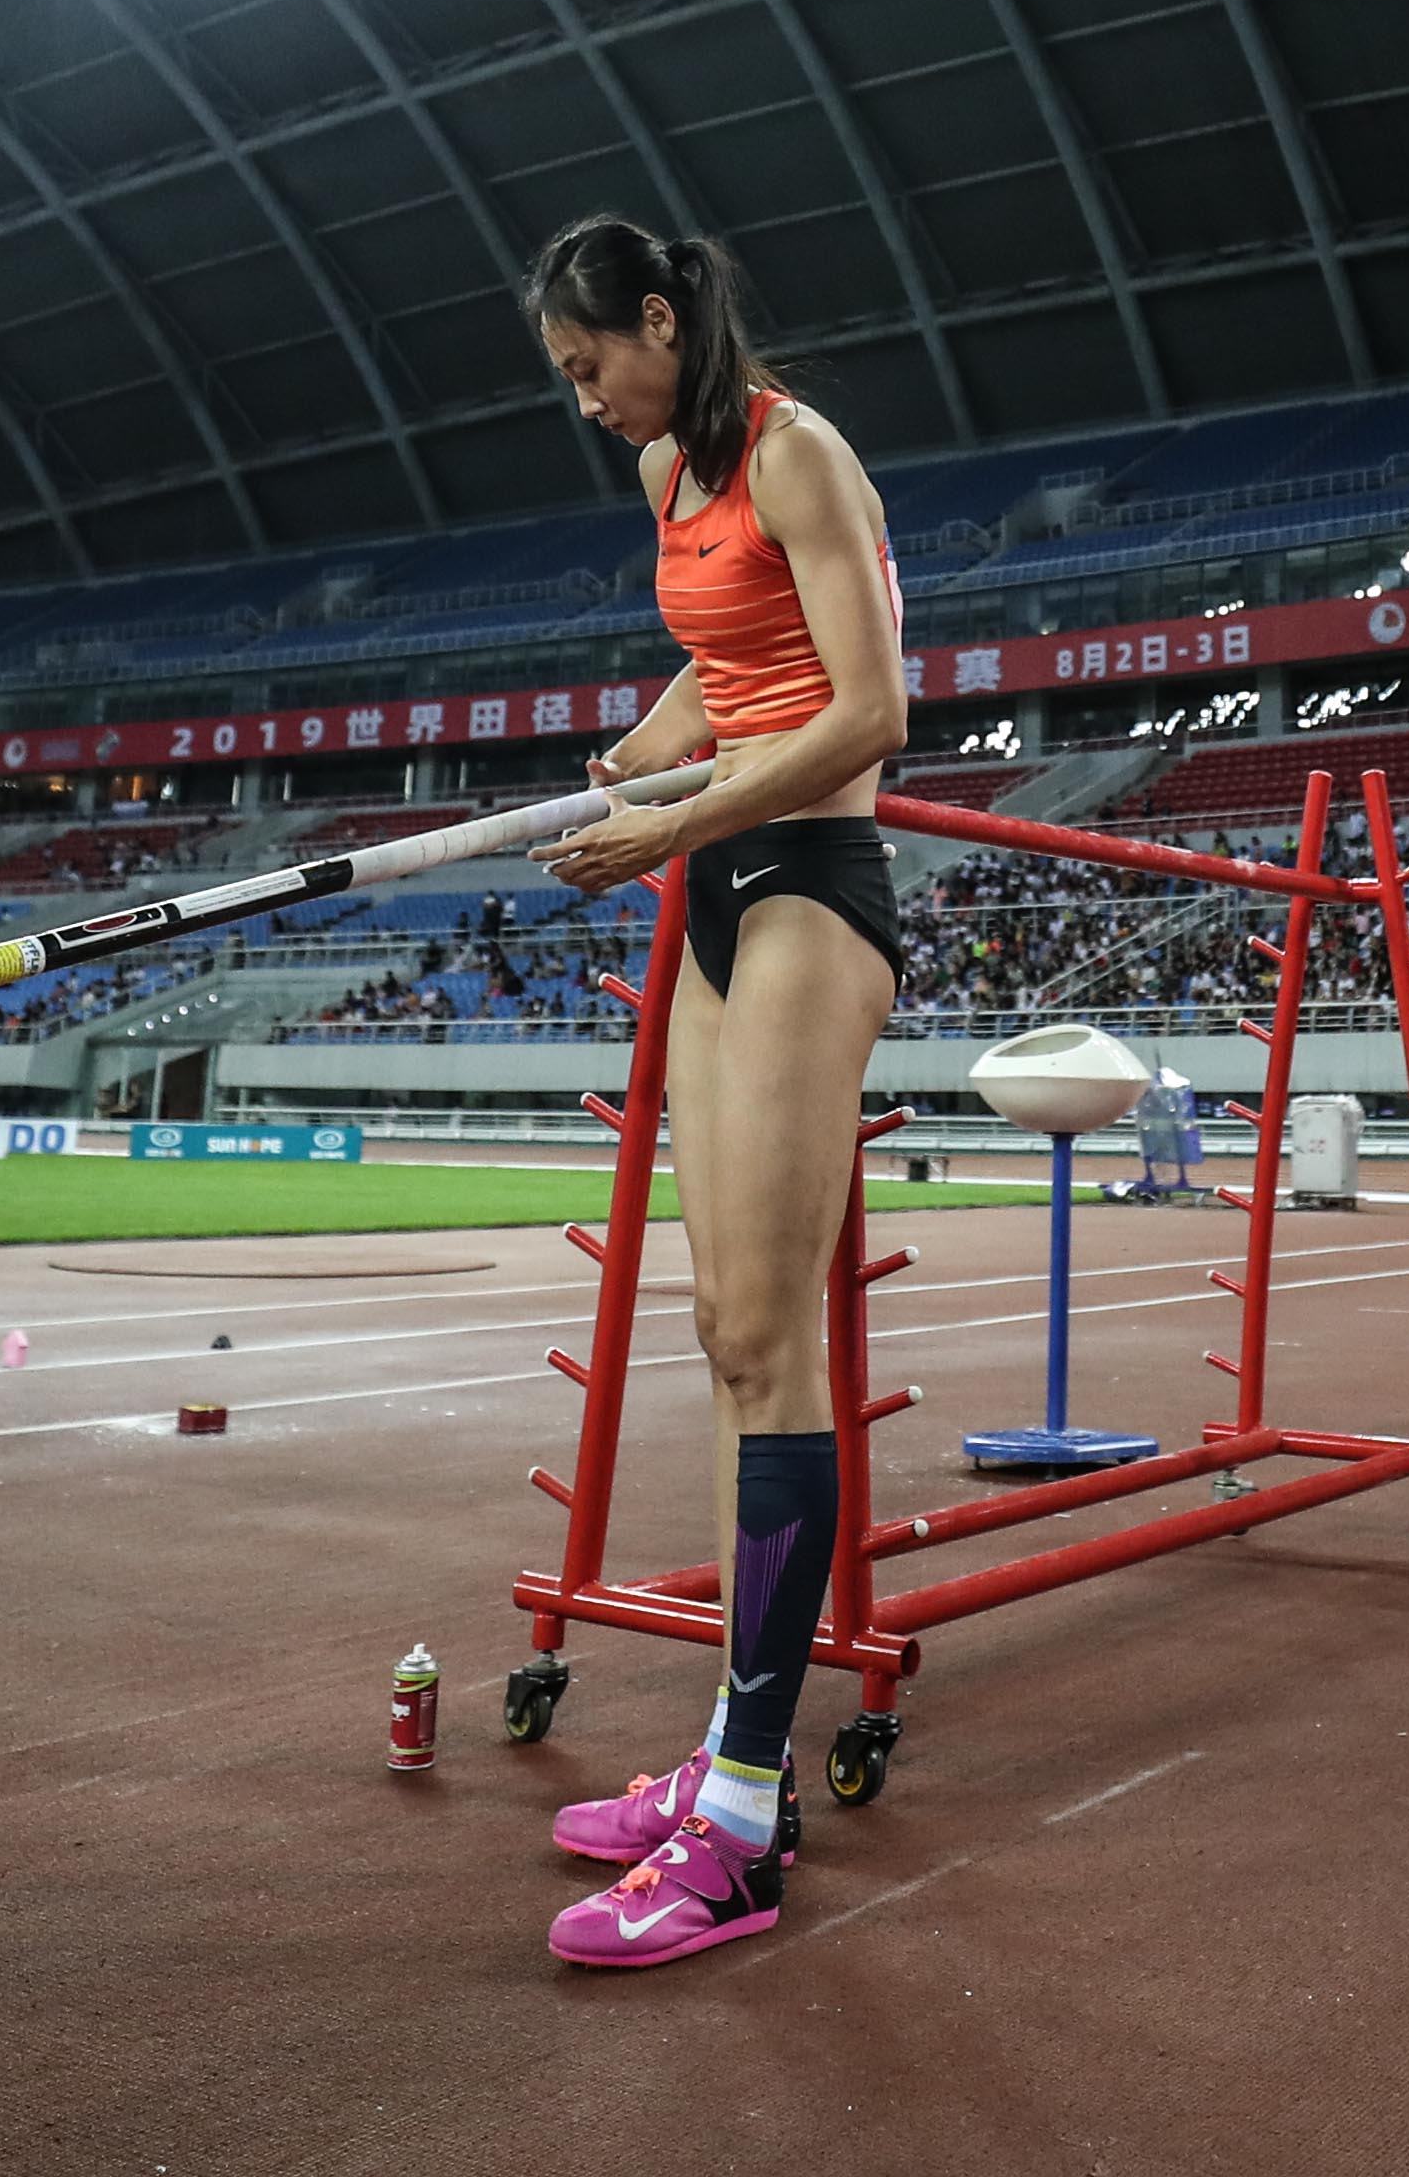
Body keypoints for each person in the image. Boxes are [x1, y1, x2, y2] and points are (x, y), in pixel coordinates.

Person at [520, 216, 911, 1971]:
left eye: (593, 361)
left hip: (811, 876)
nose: (587, 396)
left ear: (664, 321)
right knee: (723, 1332)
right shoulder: (674, 469)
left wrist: (680, 818)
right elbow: (731, 653)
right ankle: (730, 1754)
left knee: (774, 1326)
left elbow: (870, 706)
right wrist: (645, 755)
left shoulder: (797, 450)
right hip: (714, 872)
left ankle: (745, 1820)